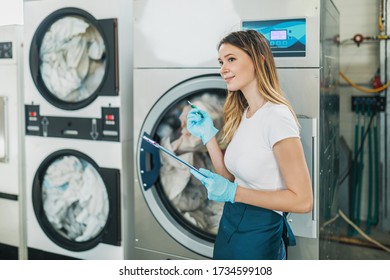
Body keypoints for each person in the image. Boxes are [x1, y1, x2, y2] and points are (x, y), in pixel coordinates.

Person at [186, 30, 313, 260]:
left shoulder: (277, 117)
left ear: (259, 61)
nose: (223, 69)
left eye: (231, 59)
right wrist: (208, 137)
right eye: (221, 62)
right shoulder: (245, 112)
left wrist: (233, 193)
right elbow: (231, 179)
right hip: (230, 225)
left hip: (259, 234)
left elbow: (302, 200)